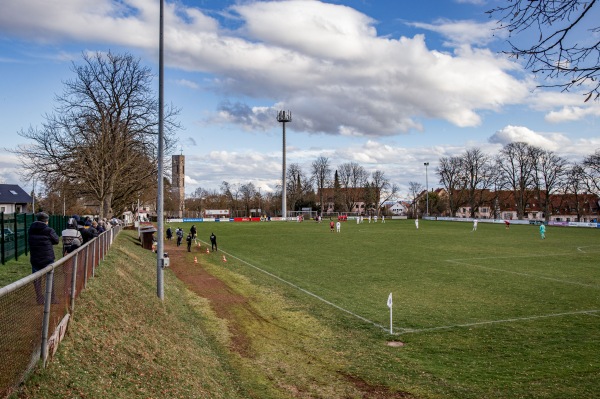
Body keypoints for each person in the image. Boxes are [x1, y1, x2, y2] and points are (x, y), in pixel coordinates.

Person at [28, 212, 60, 304]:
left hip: (35, 257)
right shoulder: (49, 230)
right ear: (46, 221)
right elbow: (56, 240)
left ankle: (39, 299)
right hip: (47, 258)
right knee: (50, 278)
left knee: (36, 279)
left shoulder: (31, 229)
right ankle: (52, 298)